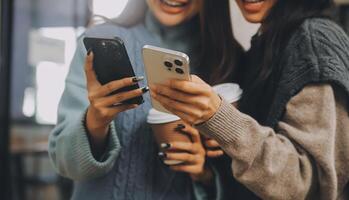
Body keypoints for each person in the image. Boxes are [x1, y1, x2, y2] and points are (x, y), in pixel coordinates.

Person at [151, 0, 349, 199]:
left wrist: (219, 117)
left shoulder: (313, 42)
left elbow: (306, 185)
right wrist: (207, 174)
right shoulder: (264, 44)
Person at [48, 0, 242, 199]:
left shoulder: (231, 61)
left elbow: (245, 183)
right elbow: (65, 164)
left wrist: (204, 175)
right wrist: (95, 122)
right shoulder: (100, 41)